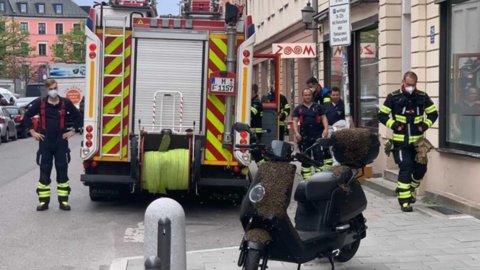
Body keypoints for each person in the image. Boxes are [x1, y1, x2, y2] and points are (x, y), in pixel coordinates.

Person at [378, 71, 438, 212]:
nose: (411, 87)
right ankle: (405, 201)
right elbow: (382, 115)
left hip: (418, 143)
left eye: (413, 85)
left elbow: (433, 113)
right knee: (406, 166)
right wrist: (394, 125)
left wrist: (424, 125)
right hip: (400, 142)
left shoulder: (422, 97)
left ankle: (410, 188)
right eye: (408, 84)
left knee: (420, 169)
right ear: (403, 82)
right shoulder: (393, 97)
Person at [24, 79, 82, 211]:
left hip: (61, 141)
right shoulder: (40, 103)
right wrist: (32, 131)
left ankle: (64, 201)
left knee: (62, 171)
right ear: (46, 90)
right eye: (50, 89)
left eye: (55, 88)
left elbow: (78, 116)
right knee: (44, 171)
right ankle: (44, 202)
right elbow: (27, 116)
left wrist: (73, 130)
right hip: (45, 141)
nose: (53, 91)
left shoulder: (65, 103)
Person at [293, 88, 329, 179]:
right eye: (306, 95)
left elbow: (324, 118)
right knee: (305, 158)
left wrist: (326, 129)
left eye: (309, 95)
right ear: (303, 96)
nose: (307, 97)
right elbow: (295, 121)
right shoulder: (298, 108)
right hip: (304, 136)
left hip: (317, 135)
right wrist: (297, 133)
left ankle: (319, 178)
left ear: (311, 95)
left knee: (319, 156)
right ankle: (307, 179)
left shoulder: (318, 107)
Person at [251, 84, 265, 165]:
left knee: (256, 151)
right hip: (253, 131)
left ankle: (263, 170)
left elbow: (252, 112)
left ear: (252, 91)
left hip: (255, 132)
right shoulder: (253, 101)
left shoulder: (256, 102)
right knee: (255, 151)